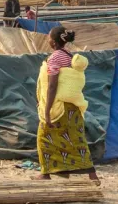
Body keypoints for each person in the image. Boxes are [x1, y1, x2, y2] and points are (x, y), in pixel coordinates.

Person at [34, 26, 99, 182]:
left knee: (43, 137)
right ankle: (91, 175)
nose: (47, 40)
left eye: (49, 37)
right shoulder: (69, 56)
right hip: (72, 107)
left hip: (60, 108)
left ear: (54, 41)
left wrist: (47, 110)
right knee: (76, 140)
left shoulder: (55, 57)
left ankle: (46, 173)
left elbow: (52, 85)